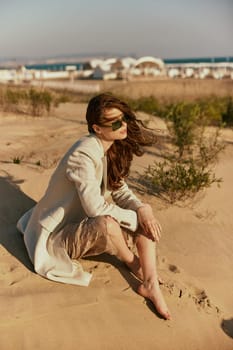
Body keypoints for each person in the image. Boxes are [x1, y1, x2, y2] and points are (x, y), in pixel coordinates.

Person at [17, 93, 171, 320]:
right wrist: (135, 218)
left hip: (80, 223)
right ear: (97, 128)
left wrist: (142, 209)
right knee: (108, 223)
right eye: (116, 122)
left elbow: (119, 190)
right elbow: (94, 208)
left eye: (124, 118)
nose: (123, 125)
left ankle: (150, 285)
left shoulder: (112, 147)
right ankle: (133, 263)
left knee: (144, 219)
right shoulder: (83, 152)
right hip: (57, 236)